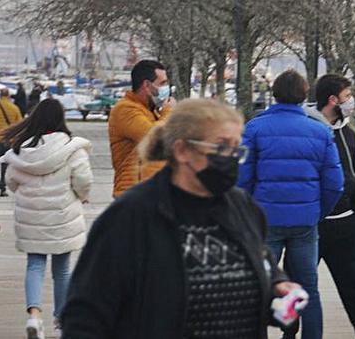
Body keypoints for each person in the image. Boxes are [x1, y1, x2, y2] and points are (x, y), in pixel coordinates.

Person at [61, 99, 304, 338]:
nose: (230, 157)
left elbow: (262, 263)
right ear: (182, 150)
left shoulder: (244, 207)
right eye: (220, 147)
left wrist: (277, 287)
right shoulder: (131, 216)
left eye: (235, 148)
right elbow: (85, 313)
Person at [239, 70, 344, 339]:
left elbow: (242, 178)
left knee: (260, 286)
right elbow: (335, 183)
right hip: (305, 221)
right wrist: (318, 211)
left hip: (266, 220)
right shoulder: (320, 131)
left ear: (274, 93)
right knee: (308, 286)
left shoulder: (254, 128)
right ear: (304, 94)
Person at [0, 98, 92, 339]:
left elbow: (10, 181)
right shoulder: (72, 148)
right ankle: (61, 321)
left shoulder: (22, 148)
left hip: (31, 218)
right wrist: (82, 196)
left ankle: (34, 315)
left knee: (35, 265)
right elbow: (83, 181)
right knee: (61, 270)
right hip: (62, 217)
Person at [309, 75, 355, 339]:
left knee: (354, 287)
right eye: (347, 96)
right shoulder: (310, 129)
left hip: (346, 223)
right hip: (312, 226)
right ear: (332, 100)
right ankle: (289, 332)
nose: (351, 101)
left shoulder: (348, 133)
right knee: (297, 285)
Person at [108, 59, 173, 197]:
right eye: (162, 83)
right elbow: (154, 138)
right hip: (133, 195)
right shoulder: (126, 109)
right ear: (147, 85)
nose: (166, 88)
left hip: (152, 193)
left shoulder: (152, 111)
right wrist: (168, 112)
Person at [0, 88, 24, 198]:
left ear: (0, 96)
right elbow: (19, 125)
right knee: (6, 164)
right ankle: (3, 187)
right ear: (8, 96)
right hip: (9, 140)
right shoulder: (15, 108)